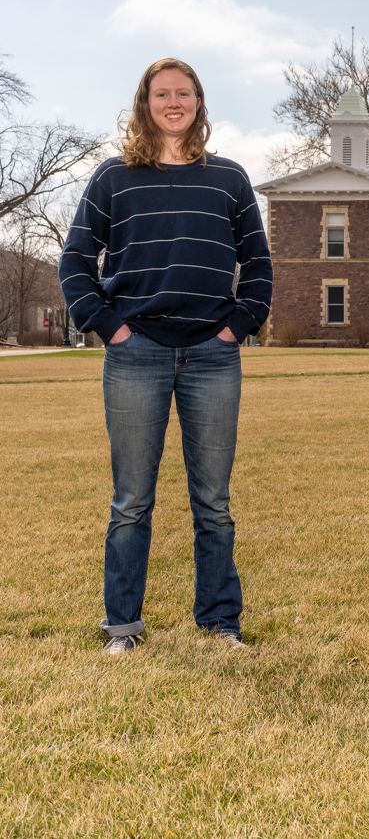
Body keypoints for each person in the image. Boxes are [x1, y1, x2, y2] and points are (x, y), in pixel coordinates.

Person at [59, 58, 273, 655]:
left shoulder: (229, 179)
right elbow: (74, 261)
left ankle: (220, 623)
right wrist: (108, 326)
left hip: (212, 354)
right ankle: (122, 627)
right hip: (137, 353)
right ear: (145, 104)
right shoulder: (113, 178)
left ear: (199, 103)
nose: (173, 102)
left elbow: (258, 266)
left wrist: (238, 327)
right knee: (131, 499)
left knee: (214, 501)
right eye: (162, 94)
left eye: (183, 93)